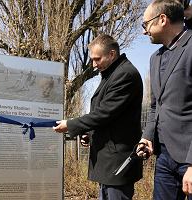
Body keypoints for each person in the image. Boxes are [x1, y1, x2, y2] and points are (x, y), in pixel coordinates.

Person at [53, 34, 143, 200]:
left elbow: (103, 114)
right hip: (108, 160)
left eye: (97, 59)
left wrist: (71, 125)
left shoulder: (125, 75)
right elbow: (109, 116)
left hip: (118, 160)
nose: (94, 65)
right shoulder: (112, 73)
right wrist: (89, 133)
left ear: (112, 54)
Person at [141, 0, 192, 199]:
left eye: (145, 25)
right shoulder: (155, 58)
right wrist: (147, 136)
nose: (144, 32)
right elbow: (156, 106)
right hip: (164, 157)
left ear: (162, 19)